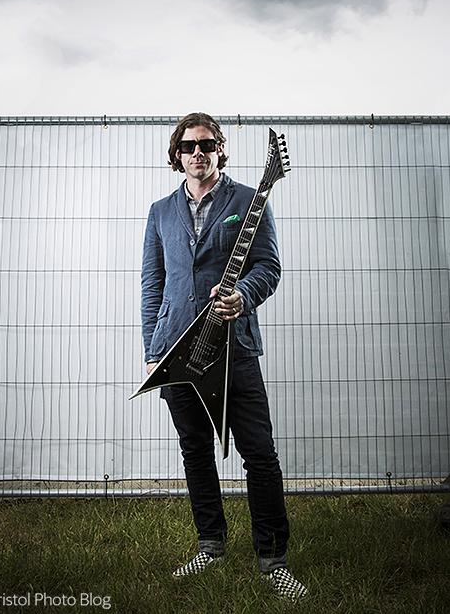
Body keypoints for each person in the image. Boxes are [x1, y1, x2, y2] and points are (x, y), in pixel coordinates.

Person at [140, 113, 308, 603]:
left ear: (220, 149)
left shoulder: (247, 200)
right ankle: (210, 546)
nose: (199, 152)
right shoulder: (160, 211)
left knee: (260, 455)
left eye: (208, 144)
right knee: (195, 451)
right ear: (177, 155)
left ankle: (273, 560)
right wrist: (153, 350)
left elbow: (268, 266)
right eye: (189, 146)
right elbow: (154, 285)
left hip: (236, 349)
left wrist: (245, 297)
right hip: (177, 350)